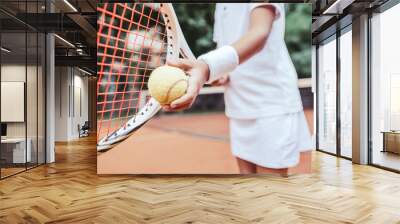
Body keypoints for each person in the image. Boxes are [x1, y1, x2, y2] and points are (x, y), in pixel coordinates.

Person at [164, 3, 313, 175]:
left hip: (271, 105)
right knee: (248, 189)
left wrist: (208, 67)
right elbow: (229, 46)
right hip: (238, 106)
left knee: (268, 195)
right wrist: (222, 72)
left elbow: (260, 32)